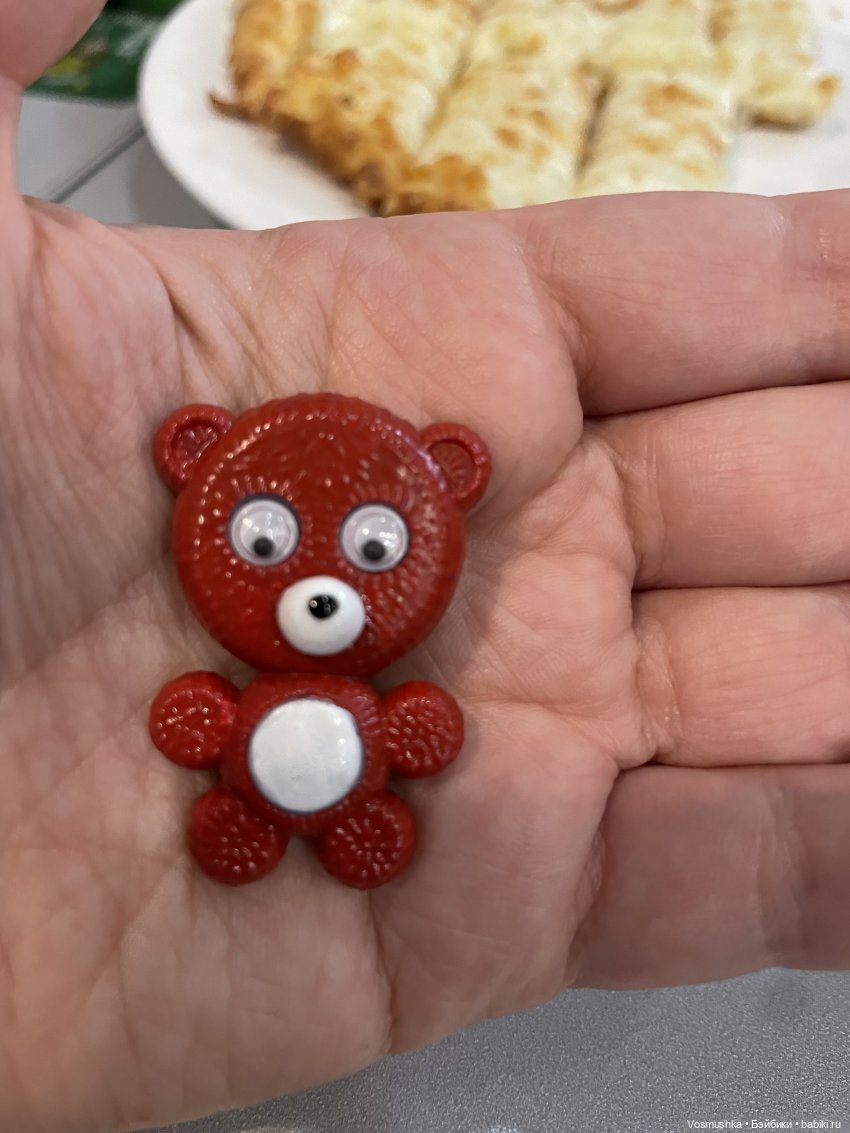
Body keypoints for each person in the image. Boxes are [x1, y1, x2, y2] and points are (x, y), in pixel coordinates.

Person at [2, 1, 850, 1129]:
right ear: (195, 455)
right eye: (266, 541)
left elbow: (415, 726)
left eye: (369, 547)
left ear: (445, 479)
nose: (317, 583)